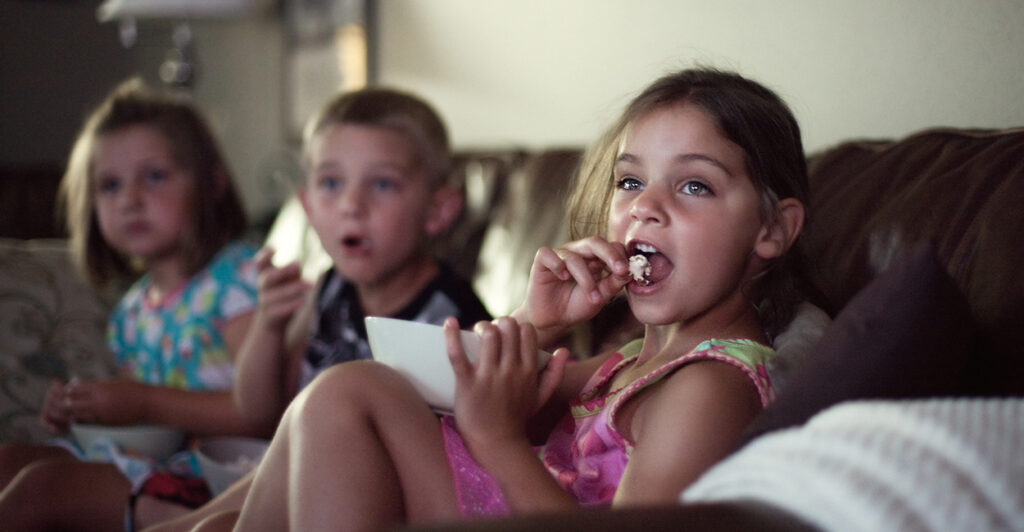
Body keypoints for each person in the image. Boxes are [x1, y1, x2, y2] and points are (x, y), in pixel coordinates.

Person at [217, 66, 809, 531]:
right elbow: (443, 387)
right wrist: (538, 322)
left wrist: (499, 441)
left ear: (773, 230)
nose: (644, 207)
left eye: (694, 185)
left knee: (349, 397)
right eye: (630, 181)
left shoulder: (709, 386)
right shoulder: (631, 362)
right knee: (349, 390)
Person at [144, 86, 492, 532]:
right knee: (210, 526)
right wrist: (269, 326)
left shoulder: (453, 318)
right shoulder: (327, 289)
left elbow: (462, 462)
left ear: (438, 210)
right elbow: (258, 410)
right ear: (307, 206)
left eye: (381, 184)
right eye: (331, 183)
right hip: (305, 475)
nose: (352, 205)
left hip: (389, 499)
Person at [0, 79, 262, 531]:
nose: (130, 200)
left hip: (216, 479)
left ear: (213, 183)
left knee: (38, 491)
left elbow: (258, 414)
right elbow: (141, 429)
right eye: (110, 185)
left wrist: (141, 401)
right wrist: (82, 412)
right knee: (9, 461)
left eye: (154, 176)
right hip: (146, 464)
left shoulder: (240, 280)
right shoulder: (131, 311)